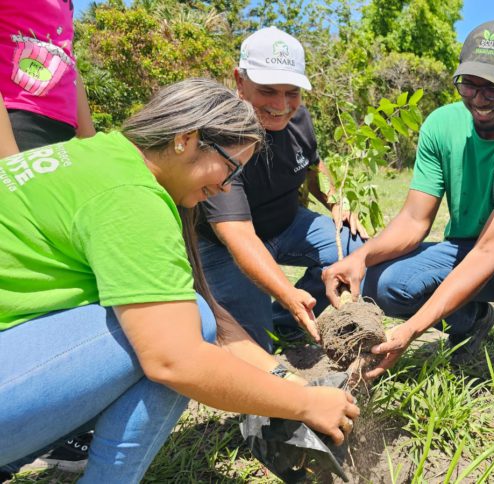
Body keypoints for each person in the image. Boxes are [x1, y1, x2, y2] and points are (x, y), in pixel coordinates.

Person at [0, 78, 359, 482]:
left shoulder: (101, 155)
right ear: (186, 140)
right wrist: (304, 404)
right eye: (229, 167)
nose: (225, 186)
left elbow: (189, 304)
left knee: (187, 318)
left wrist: (282, 377)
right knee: (182, 338)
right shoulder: (130, 198)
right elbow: (176, 360)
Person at [322, 19, 494, 419]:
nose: (479, 97)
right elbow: (413, 219)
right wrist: (362, 257)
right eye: (469, 83)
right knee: (385, 284)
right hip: (463, 248)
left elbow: (492, 248)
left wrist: (410, 331)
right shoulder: (442, 124)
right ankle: (471, 319)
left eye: (493, 86)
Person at [197, 27, 365, 352]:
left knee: (356, 246)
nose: (281, 105)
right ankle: (272, 321)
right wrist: (287, 293)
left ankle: (289, 324)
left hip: (288, 225)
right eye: (268, 91)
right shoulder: (221, 136)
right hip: (226, 248)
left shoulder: (299, 117)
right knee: (257, 346)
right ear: (240, 81)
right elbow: (238, 236)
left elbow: (313, 164)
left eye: (292, 93)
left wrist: (337, 201)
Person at [0, 1, 96, 475]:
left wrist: (89, 145)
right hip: (14, 123)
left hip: (56, 131)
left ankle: (58, 428)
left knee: (58, 267)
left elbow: (68, 65)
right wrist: (10, 158)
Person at [0, 0, 95, 158]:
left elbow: (67, 59)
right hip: (16, 120)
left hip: (66, 131)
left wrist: (90, 145)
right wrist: (9, 160)